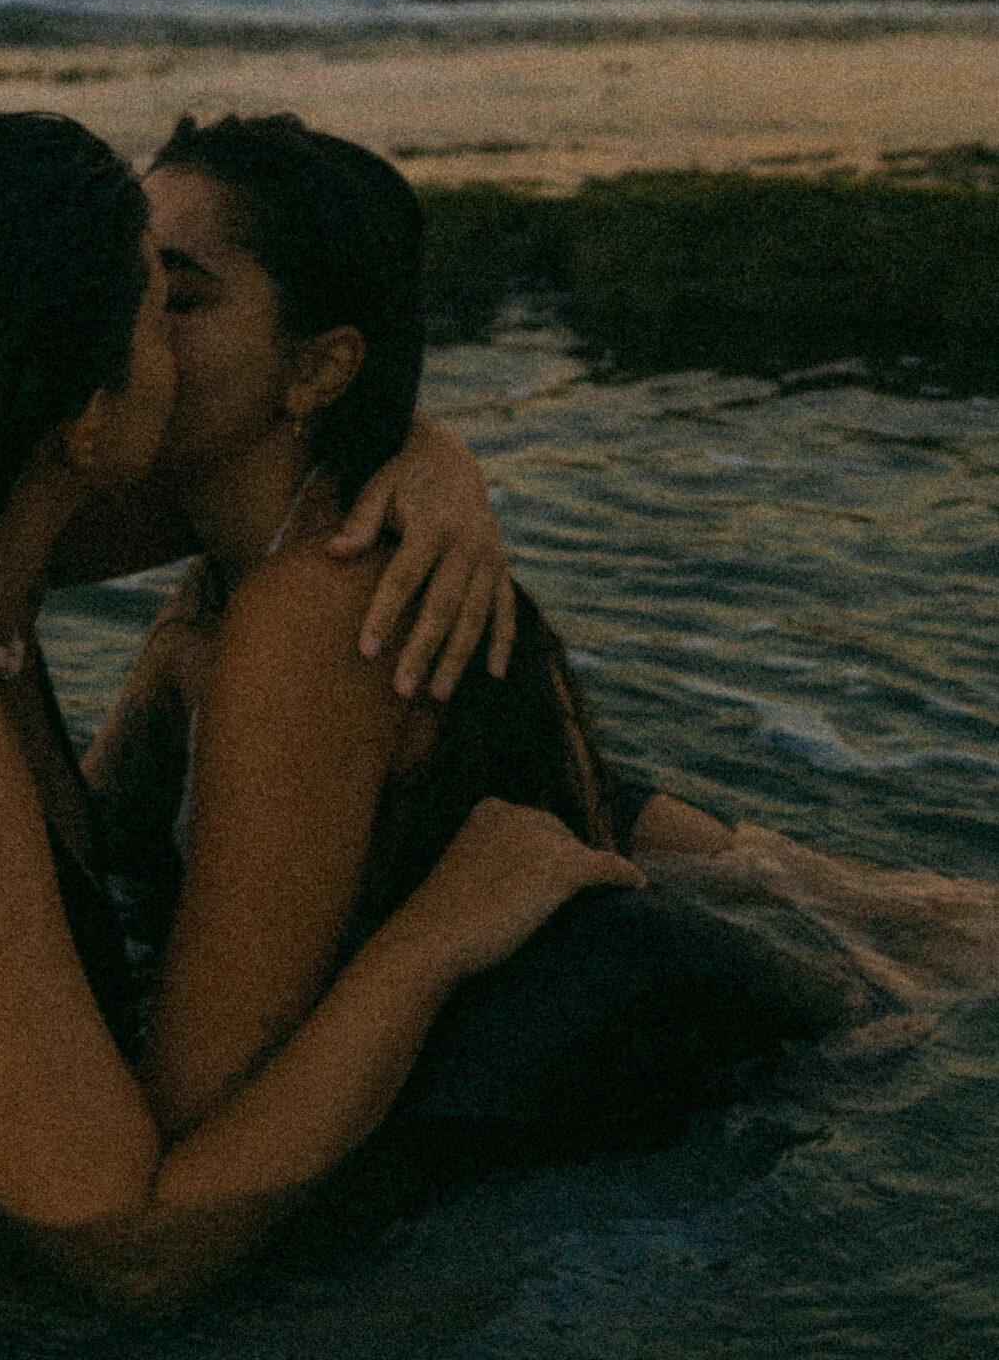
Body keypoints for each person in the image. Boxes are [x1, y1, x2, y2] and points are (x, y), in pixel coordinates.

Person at [0, 113, 641, 1316]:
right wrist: (437, 936)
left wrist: (431, 454)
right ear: (83, 416)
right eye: (146, 308)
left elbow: (279, 477)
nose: (167, 339)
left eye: (185, 301)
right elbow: (134, 1250)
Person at [86, 114, 988, 1177]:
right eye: (124, 284)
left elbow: (199, 1109)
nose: (120, 329)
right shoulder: (240, 561)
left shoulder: (315, 614)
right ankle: (889, 904)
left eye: (179, 301)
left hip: (745, 1085)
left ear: (319, 367)